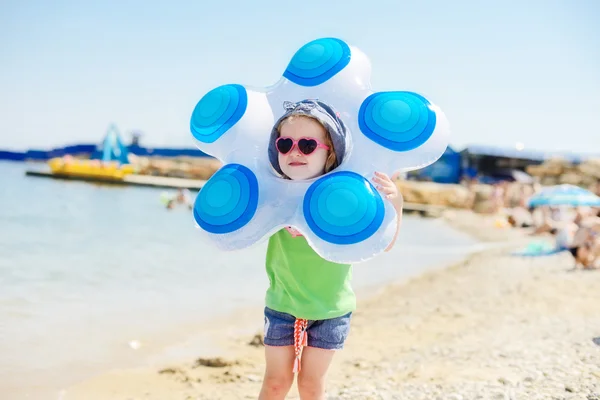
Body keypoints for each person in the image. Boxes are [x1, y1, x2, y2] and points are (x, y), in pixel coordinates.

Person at [259, 100, 403, 400]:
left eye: (307, 145)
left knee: (311, 385)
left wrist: (396, 206)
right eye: (285, 144)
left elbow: (384, 244)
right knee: (275, 382)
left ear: (330, 152)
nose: (294, 152)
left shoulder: (345, 199)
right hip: (282, 305)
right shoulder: (274, 195)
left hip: (330, 310)